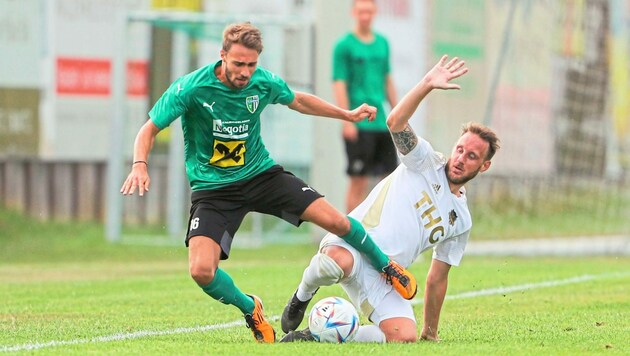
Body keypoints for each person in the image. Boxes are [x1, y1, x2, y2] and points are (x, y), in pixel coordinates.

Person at [119, 22, 417, 344]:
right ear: (222, 56)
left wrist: (346, 115)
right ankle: (251, 307)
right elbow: (148, 129)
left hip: (261, 176)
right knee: (201, 271)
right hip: (214, 191)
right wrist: (140, 165)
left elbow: (299, 101)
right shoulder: (191, 88)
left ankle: (387, 267)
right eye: (238, 64)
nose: (245, 72)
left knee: (337, 221)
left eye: (251, 64)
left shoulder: (261, 82)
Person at [280, 55, 500, 343]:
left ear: (484, 166)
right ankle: (301, 296)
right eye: (460, 149)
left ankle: (319, 336)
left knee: (403, 336)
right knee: (332, 264)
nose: (460, 158)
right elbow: (395, 121)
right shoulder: (425, 161)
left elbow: (437, 277)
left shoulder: (462, 220)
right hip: (355, 245)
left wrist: (430, 333)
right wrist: (427, 84)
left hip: (385, 276)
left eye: (472, 156)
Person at [333, 0, 399, 213]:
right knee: (358, 181)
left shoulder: (383, 43)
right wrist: (347, 120)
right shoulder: (344, 46)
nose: (365, 16)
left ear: (375, 12)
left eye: (369, 11)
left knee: (390, 180)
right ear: (354, 12)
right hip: (359, 123)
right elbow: (339, 82)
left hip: (381, 122)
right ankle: (350, 234)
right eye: (361, 11)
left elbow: (387, 79)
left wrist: (398, 112)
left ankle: (384, 230)